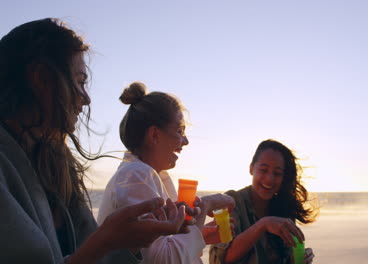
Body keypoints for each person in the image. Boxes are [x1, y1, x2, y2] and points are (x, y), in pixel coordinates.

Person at [0, 18, 191, 264]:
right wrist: (107, 241)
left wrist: (129, 242)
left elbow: (89, 248)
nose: (86, 98)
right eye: (79, 82)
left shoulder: (55, 163)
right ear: (41, 79)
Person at [97, 82, 235, 263]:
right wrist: (206, 205)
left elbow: (156, 248)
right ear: (154, 135)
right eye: (180, 131)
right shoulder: (135, 176)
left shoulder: (148, 175)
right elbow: (164, 260)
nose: (185, 141)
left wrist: (201, 236)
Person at [209, 139, 318, 264]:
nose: (269, 179)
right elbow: (224, 258)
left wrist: (295, 260)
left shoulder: (284, 207)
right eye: (264, 170)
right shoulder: (231, 202)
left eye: (277, 173)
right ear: (251, 168)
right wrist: (263, 225)